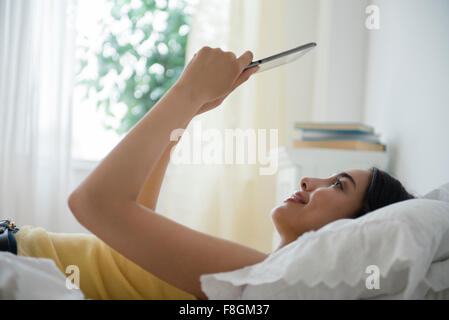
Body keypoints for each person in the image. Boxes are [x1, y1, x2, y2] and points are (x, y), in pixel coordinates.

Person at [0, 47, 415, 300]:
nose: (308, 181)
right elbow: (126, 240)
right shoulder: (256, 270)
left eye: (339, 186)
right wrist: (189, 111)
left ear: (353, 230)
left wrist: (188, 90)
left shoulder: (258, 277)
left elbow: (93, 203)